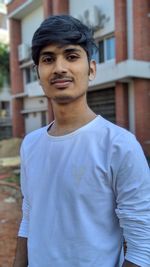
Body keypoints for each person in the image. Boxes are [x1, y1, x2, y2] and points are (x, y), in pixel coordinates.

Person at [13, 15, 150, 267]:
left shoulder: (119, 145)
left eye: (72, 56)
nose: (59, 68)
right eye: (48, 59)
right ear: (38, 73)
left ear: (92, 69)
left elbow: (142, 245)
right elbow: (30, 217)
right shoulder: (30, 144)